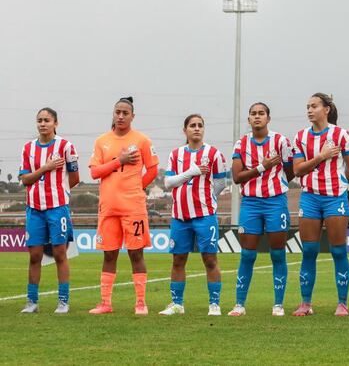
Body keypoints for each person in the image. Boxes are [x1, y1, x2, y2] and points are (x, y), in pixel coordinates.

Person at [88, 97, 159, 315]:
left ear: (132, 116)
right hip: (108, 207)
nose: (120, 116)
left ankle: (140, 303)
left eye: (125, 113)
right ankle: (106, 303)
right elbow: (94, 172)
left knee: (136, 254)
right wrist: (119, 161)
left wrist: (138, 188)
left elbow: (153, 170)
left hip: (133, 207)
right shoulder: (102, 141)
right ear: (113, 114)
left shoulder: (142, 140)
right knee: (109, 255)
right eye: (117, 112)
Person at [291, 93, 349, 316]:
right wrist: (321, 157)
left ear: (326, 109)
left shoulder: (341, 134)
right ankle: (306, 303)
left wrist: (340, 184)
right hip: (310, 197)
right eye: (307, 106)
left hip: (334, 198)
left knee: (338, 251)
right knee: (309, 250)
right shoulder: (301, 136)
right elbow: (297, 170)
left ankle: (342, 303)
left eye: (314, 106)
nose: (309, 110)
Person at [228, 102, 295, 317]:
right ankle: (239, 304)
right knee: (247, 255)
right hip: (251, 203)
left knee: (278, 254)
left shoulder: (281, 141)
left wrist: (278, 183)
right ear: (248, 119)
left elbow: (290, 170)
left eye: (261, 113)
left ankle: (278, 305)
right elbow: (237, 177)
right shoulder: (241, 144)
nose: (257, 117)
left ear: (268, 118)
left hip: (275, 201)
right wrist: (262, 167)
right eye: (253, 114)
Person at [160, 114, 227, 316]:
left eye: (200, 125)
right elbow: (168, 183)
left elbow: (220, 183)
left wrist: (206, 199)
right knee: (178, 260)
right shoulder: (176, 154)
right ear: (185, 130)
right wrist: (192, 172)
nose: (196, 128)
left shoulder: (214, 154)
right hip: (180, 216)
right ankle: (177, 304)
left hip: (205, 215)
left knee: (210, 259)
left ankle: (214, 304)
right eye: (192, 125)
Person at [18, 107, 79, 314]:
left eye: (47, 120)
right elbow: (25, 179)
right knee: (35, 255)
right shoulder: (28, 148)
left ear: (56, 123)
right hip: (34, 209)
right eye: (40, 120)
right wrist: (45, 168)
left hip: (57, 208)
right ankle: (32, 302)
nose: (43, 124)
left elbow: (75, 176)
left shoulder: (66, 146)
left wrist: (61, 194)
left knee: (59, 254)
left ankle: (63, 301)